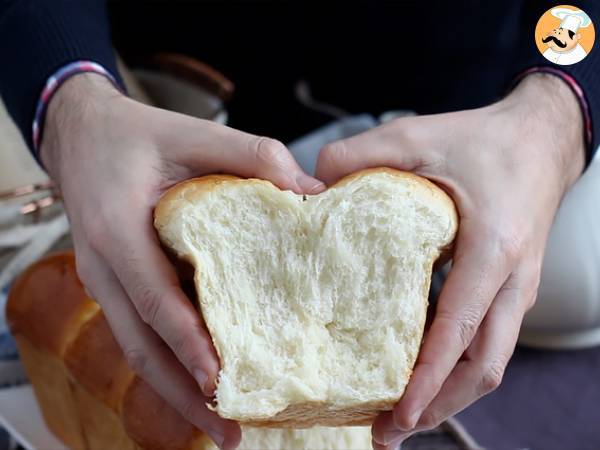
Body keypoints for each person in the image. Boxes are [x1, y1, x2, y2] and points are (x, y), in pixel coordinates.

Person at [0, 2, 598, 449]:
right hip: (176, 110)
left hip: (461, 115)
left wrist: (559, 103)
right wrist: (68, 98)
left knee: (573, 285)